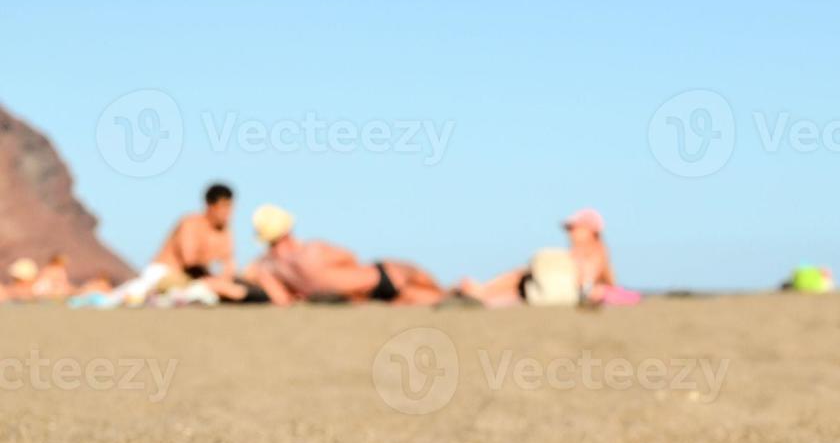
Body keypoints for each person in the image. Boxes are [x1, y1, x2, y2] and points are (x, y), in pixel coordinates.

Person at [243, 205, 444, 306]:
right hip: (377, 277)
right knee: (427, 285)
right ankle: (463, 289)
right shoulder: (313, 249)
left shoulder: (267, 268)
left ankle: (460, 293)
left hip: (361, 298)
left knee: (429, 300)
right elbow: (351, 257)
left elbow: (282, 300)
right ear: (287, 229)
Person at [84, 183, 244, 306]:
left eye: (230, 207)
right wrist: (214, 277)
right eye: (224, 207)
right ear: (210, 206)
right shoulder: (190, 223)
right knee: (124, 296)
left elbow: (228, 264)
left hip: (194, 282)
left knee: (230, 290)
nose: (228, 213)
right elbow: (190, 260)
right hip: (164, 275)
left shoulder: (226, 232)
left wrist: (223, 280)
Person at [457, 208, 635, 308]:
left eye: (573, 228)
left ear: (591, 230)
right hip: (555, 291)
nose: (570, 233)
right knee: (519, 283)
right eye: (568, 228)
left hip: (565, 293)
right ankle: (483, 296)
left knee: (521, 278)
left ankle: (482, 293)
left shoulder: (595, 252)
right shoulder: (581, 252)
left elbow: (589, 282)